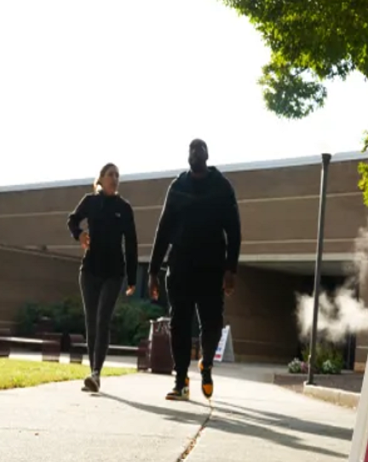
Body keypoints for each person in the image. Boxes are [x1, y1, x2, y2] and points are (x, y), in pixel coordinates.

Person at [148, 139, 240, 401]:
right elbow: (163, 229)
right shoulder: (177, 187)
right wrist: (153, 270)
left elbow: (233, 230)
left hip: (212, 267)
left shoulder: (222, 187)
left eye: (200, 149)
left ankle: (206, 363)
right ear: (188, 156)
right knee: (179, 323)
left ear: (207, 155)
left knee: (212, 323)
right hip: (180, 266)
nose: (196, 152)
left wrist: (230, 269)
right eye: (192, 149)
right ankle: (180, 381)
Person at [67, 163, 138, 393]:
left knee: (102, 320)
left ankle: (96, 372)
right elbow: (72, 220)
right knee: (91, 322)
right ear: (101, 179)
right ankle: (93, 372)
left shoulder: (124, 208)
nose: (114, 178)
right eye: (110, 175)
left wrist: (132, 277)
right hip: (89, 271)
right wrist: (80, 234)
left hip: (114, 273)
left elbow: (132, 243)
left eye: (117, 175)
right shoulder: (91, 201)